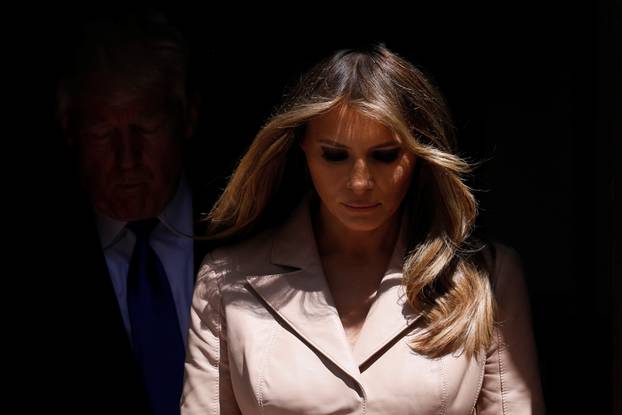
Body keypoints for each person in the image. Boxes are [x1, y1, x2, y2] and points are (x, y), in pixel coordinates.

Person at [181, 45, 544, 414]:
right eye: (335, 155)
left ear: (419, 153)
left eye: (384, 155)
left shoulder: (489, 276)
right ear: (303, 147)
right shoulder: (226, 280)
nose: (359, 183)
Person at [50, 11, 209, 414]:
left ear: (187, 117)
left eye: (147, 128)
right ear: (69, 129)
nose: (127, 159)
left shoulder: (255, 223)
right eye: (102, 134)